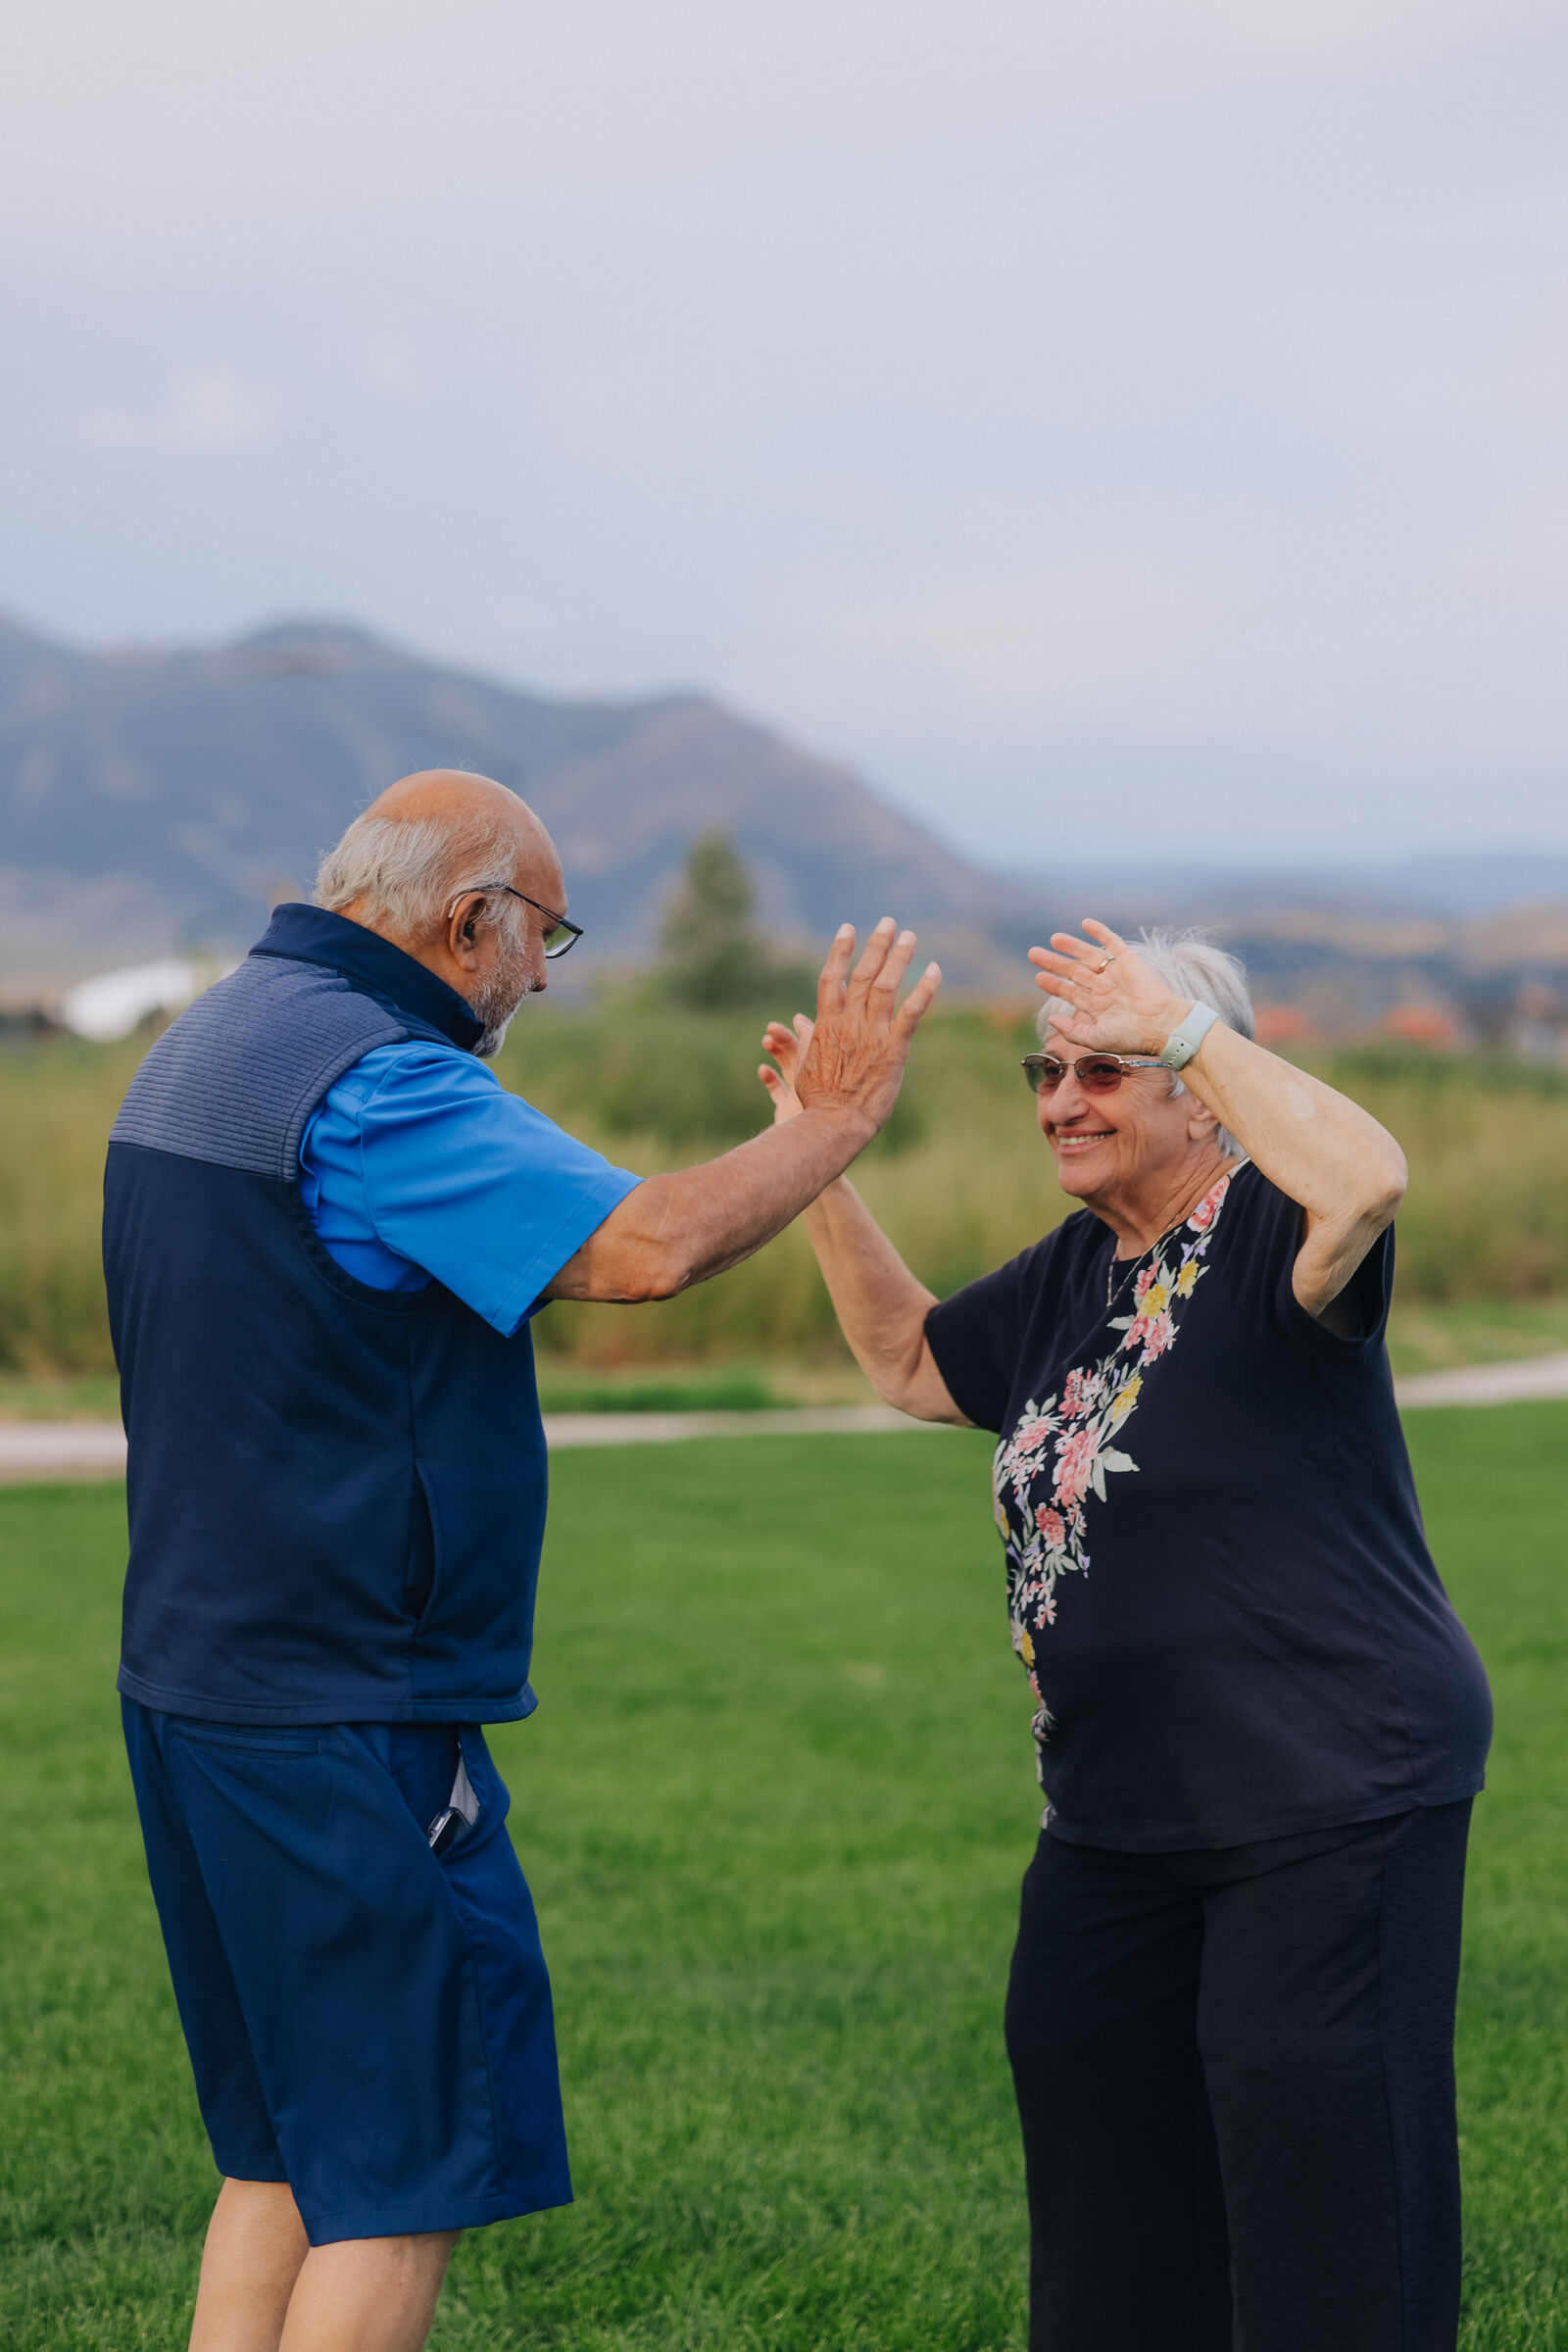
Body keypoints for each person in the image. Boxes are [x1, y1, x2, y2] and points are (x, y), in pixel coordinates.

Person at [104, 767, 940, 2352]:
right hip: (344, 1708)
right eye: (541, 935)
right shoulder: (377, 1080)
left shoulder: (207, 1039)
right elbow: (646, 1246)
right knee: (406, 2173)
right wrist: (837, 1122)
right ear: (468, 916)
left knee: (287, 2151)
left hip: (198, 1683)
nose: (544, 976)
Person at [759, 919, 1493, 2352]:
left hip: (1328, 1794)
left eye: (1105, 1068)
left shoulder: (1281, 1224)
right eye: (1048, 1071)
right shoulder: (1075, 1270)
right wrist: (815, 1165)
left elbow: (1374, 1175)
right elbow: (911, 1359)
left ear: (1193, 1086)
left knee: (1327, 2226)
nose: (1059, 1100)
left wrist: (1191, 1028)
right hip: (1111, 1818)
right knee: (1110, 2228)